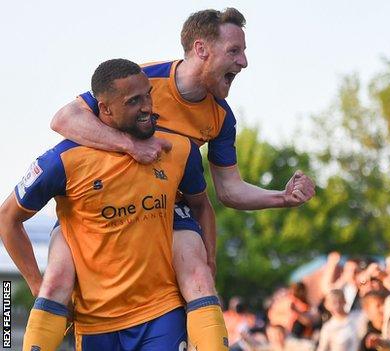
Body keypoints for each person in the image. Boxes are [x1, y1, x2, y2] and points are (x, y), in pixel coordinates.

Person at [36, 7, 316, 349]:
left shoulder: (221, 118)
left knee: (198, 273)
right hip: (99, 204)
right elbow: (64, 119)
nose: (244, 62)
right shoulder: (143, 80)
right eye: (234, 51)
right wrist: (129, 146)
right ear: (201, 50)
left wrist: (282, 197)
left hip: (163, 208)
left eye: (243, 52)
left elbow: (227, 191)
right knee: (54, 282)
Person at [0, 59, 220, 350]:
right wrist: (36, 285)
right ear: (104, 109)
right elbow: (7, 218)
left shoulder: (177, 149)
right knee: (54, 282)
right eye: (133, 101)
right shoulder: (62, 160)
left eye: (148, 95)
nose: (147, 107)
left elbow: (202, 206)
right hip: (95, 323)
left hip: (160, 314)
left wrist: (210, 260)